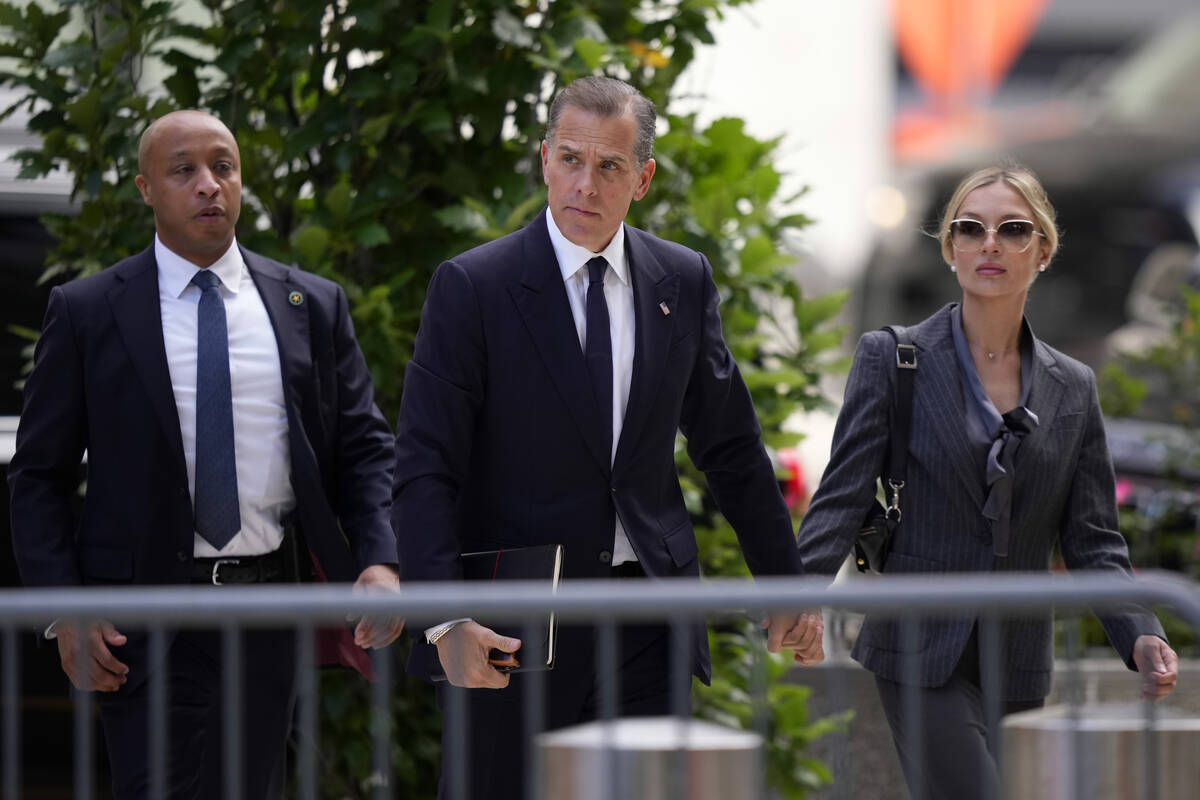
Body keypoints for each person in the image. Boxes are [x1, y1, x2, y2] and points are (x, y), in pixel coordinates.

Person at [392, 75, 824, 799]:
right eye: (570, 159)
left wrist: (785, 583)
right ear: (545, 159)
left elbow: (731, 447)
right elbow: (424, 464)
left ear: (644, 178)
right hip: (514, 627)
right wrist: (444, 618)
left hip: (646, 619)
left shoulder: (680, 281)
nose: (585, 184)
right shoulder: (474, 286)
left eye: (610, 166)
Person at [8, 109, 403, 799]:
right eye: (183, 170)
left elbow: (365, 450)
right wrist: (63, 606)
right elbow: (39, 475)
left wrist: (378, 558)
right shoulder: (90, 311)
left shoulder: (308, 304)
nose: (208, 185)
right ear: (145, 189)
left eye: (223, 166)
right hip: (148, 617)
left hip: (268, 613)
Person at [795, 164, 1180, 800]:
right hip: (918, 644)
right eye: (970, 229)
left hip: (1019, 658)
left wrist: (1139, 632)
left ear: (1044, 250)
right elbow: (842, 495)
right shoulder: (892, 357)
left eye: (1013, 230)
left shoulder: (1074, 388)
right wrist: (798, 594)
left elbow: (1093, 540)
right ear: (950, 249)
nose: (990, 244)